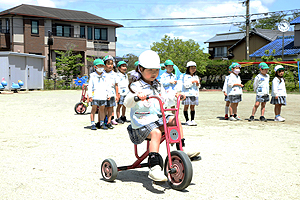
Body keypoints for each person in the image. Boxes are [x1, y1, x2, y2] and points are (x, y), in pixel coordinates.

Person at [124, 50, 200, 182]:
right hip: (141, 123)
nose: (154, 73)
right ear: (140, 69)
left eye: (156, 70)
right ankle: (154, 167)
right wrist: (136, 97)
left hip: (157, 119)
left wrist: (176, 96)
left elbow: (165, 99)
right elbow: (127, 102)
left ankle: (181, 148)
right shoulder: (135, 86)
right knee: (156, 133)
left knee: (175, 119)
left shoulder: (157, 85)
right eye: (150, 70)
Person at [87, 59, 109, 130]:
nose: (101, 67)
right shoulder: (92, 75)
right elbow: (90, 86)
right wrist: (90, 95)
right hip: (95, 95)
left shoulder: (105, 75)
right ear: (95, 67)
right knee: (93, 109)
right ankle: (92, 123)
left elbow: (107, 85)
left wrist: (108, 94)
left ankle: (102, 123)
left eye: (102, 65)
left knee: (102, 109)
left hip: (103, 95)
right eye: (99, 65)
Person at [181, 61, 201, 126]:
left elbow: (198, 86)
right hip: (187, 94)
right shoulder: (185, 76)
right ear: (188, 68)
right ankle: (187, 120)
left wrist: (198, 84)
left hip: (194, 94)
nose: (193, 69)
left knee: (192, 107)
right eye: (191, 68)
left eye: (194, 68)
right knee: (186, 106)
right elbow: (185, 85)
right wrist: (192, 82)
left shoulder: (196, 76)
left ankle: (192, 120)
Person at [103, 55, 119, 129]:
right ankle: (103, 121)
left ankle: (109, 122)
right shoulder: (102, 74)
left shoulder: (115, 74)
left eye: (111, 64)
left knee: (110, 108)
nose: (110, 66)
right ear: (104, 64)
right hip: (103, 94)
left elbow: (116, 85)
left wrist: (117, 95)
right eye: (108, 64)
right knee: (103, 108)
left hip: (112, 94)